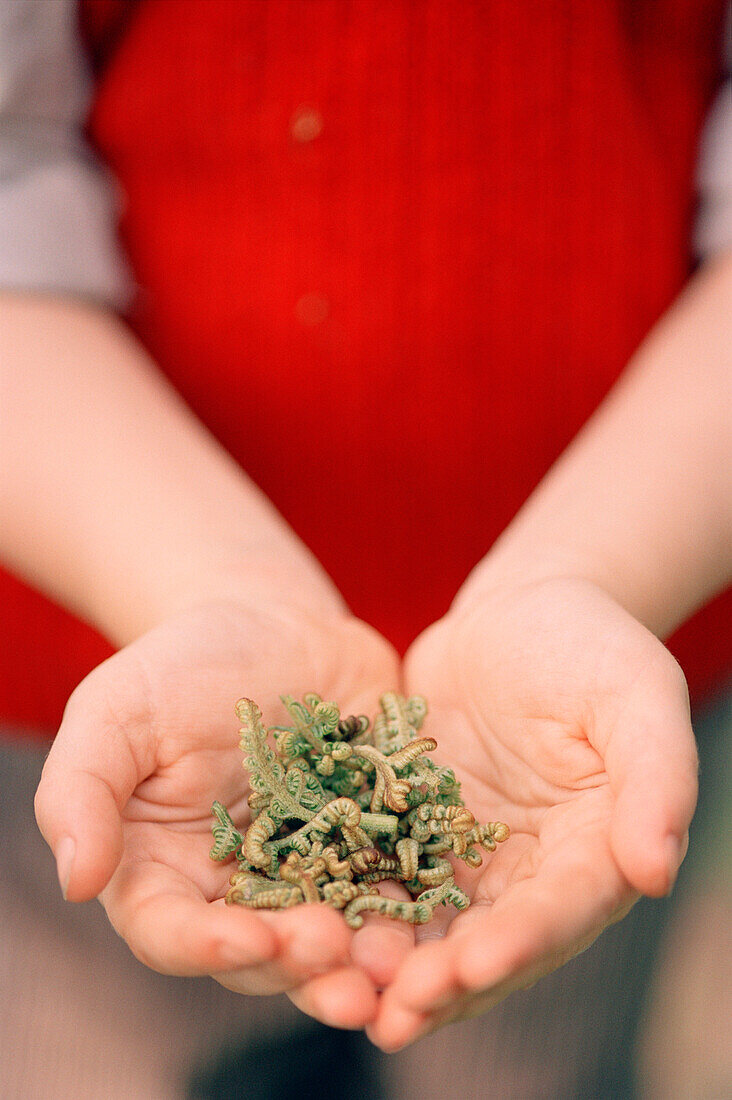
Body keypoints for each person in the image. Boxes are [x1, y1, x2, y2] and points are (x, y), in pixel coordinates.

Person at [0, 0, 730, 1095]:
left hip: (586, 699)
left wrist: (585, 576)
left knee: (522, 1049)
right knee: (97, 1043)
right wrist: (200, 580)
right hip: (113, 669)